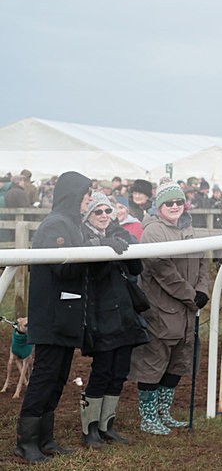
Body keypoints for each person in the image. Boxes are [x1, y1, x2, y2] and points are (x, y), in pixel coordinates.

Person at [16, 171, 124, 463]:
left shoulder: (72, 223)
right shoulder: (56, 224)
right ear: (74, 195)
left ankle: (45, 438)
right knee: (44, 378)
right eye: (87, 194)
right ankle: (26, 442)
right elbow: (62, 268)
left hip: (65, 315)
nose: (89, 199)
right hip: (52, 315)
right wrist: (95, 249)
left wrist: (104, 248)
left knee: (58, 377)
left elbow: (81, 269)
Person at [129, 181, 209, 435]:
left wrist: (203, 291)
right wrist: (190, 295)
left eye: (178, 202)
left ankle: (165, 411)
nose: (175, 206)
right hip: (161, 308)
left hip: (186, 310)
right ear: (159, 206)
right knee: (154, 361)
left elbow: (203, 262)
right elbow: (163, 270)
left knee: (180, 361)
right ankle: (148, 417)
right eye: (169, 203)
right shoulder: (153, 231)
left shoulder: (190, 229)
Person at [80, 192, 149, 448]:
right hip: (99, 315)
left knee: (119, 371)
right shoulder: (82, 237)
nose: (104, 216)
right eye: (98, 211)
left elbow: (136, 269)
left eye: (108, 211)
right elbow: (92, 273)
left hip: (124, 313)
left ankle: (107, 426)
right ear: (89, 215)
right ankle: (90, 430)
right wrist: (106, 245)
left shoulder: (119, 234)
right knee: (102, 371)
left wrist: (121, 240)